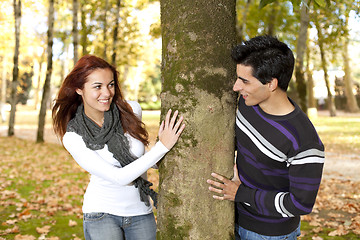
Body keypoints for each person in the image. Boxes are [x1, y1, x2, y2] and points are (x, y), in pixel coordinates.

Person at [52, 55, 185, 240]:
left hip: (140, 212)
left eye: (111, 84)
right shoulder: (73, 137)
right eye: (97, 86)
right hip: (101, 214)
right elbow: (119, 176)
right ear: (79, 89)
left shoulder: (131, 110)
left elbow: (136, 158)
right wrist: (162, 147)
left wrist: (160, 155)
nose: (106, 93)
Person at [207, 35, 325, 239]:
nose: (236, 87)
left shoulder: (304, 141)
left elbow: (300, 204)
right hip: (231, 217)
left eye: (244, 81)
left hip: (270, 233)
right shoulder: (247, 103)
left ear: (271, 84)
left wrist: (242, 194)